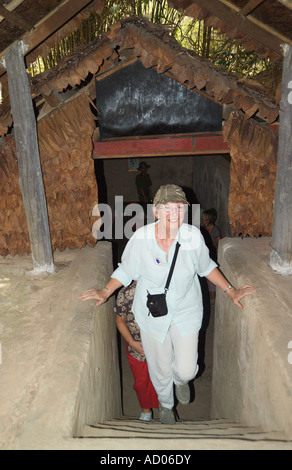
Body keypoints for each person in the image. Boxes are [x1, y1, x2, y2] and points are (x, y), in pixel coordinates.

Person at [79, 184, 256, 425]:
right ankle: (166, 405)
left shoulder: (193, 236)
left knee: (186, 368)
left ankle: (181, 381)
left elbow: (206, 268)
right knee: (159, 367)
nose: (174, 212)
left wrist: (231, 290)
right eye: (168, 208)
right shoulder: (141, 238)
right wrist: (105, 290)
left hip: (186, 311)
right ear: (157, 212)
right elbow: (126, 269)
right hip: (152, 315)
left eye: (179, 207)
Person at [114, 281, 159, 421]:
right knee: (141, 383)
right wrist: (132, 343)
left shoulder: (162, 287)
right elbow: (120, 320)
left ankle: (166, 408)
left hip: (161, 347)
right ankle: (146, 411)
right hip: (137, 350)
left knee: (162, 379)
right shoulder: (125, 294)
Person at [201, 208, 222, 302]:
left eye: (203, 218)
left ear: (207, 220)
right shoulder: (204, 229)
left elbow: (219, 245)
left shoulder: (215, 230)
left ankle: (213, 298)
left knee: (211, 278)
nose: (201, 220)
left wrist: (216, 258)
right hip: (206, 254)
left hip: (212, 256)